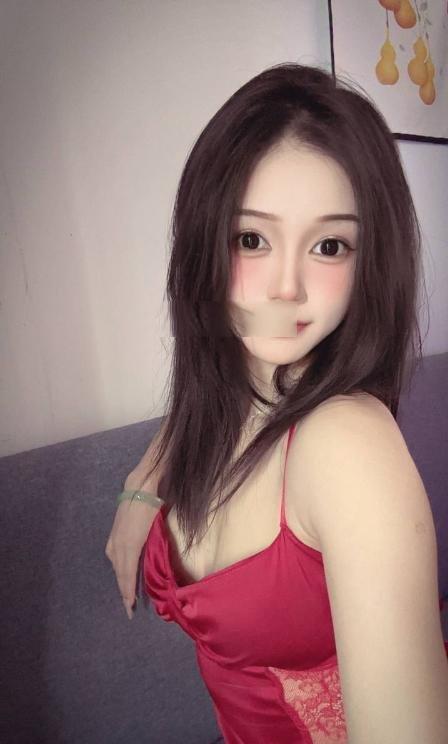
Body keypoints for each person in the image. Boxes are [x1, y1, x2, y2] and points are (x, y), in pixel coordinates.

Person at [105, 63, 448, 743]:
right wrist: (142, 484)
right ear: (205, 240)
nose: (286, 287)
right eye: (252, 239)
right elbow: (207, 403)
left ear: (369, 260)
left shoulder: (348, 447)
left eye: (329, 245)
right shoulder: (228, 397)